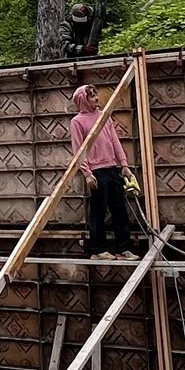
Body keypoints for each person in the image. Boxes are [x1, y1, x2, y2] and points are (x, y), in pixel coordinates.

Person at [69, 83, 136, 258]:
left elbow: (115, 141)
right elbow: (78, 150)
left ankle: (124, 249)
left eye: (95, 94)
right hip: (96, 172)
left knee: (120, 210)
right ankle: (98, 250)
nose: (96, 98)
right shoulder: (77, 122)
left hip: (112, 168)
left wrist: (124, 165)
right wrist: (87, 173)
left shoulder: (104, 117)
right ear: (83, 100)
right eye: (91, 96)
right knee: (98, 212)